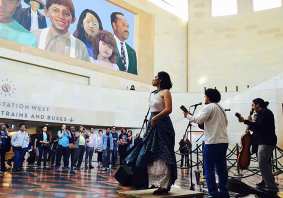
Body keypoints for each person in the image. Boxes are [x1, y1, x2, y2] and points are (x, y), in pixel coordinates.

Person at [125, 71, 177, 194]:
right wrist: (148, 128)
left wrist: (154, 118)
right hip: (153, 124)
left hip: (163, 124)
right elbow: (152, 113)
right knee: (149, 152)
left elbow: (168, 109)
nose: (153, 79)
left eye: (155, 77)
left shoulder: (166, 92)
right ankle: (156, 182)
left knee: (162, 153)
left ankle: (164, 185)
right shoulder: (154, 94)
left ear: (161, 79)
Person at [184, 88, 229, 198]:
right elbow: (225, 123)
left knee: (208, 168)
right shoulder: (221, 108)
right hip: (223, 141)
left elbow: (199, 120)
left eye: (205, 96)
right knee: (222, 168)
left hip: (212, 142)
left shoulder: (209, 107)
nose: (204, 98)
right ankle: (223, 193)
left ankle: (214, 194)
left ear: (208, 97)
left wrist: (187, 115)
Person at [237, 98, 278, 195]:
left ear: (257, 104)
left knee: (263, 164)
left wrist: (246, 121)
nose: (252, 107)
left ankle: (271, 187)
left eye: (253, 105)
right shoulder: (262, 113)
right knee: (264, 164)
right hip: (263, 141)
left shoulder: (266, 112)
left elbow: (259, 124)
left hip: (266, 141)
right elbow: (257, 126)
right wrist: (248, 123)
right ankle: (268, 184)